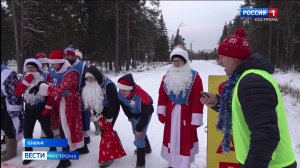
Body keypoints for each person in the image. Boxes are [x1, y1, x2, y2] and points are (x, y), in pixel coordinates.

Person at [200, 28, 297, 168]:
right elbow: (245, 114)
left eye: (222, 57)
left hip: (272, 165)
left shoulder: (252, 81)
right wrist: (217, 102)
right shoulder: (245, 78)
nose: (219, 62)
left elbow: (266, 136)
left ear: (235, 57)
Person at [32, 50, 84, 168]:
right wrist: (40, 85)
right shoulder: (55, 70)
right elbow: (52, 84)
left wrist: (42, 88)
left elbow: (60, 88)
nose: (52, 66)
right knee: (62, 129)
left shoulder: (71, 73)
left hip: (70, 104)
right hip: (59, 102)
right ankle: (68, 153)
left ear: (60, 62)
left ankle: (66, 157)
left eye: (54, 64)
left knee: (66, 129)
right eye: (51, 64)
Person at [157, 46, 204, 168]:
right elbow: (162, 94)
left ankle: (184, 164)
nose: (176, 63)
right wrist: (161, 111)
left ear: (185, 61)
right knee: (171, 138)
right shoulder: (167, 75)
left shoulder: (194, 76)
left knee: (184, 141)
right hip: (171, 114)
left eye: (179, 60)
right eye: (174, 60)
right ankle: (172, 163)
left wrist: (196, 118)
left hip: (186, 115)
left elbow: (197, 99)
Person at [15, 58, 56, 165]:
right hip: (29, 108)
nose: (30, 69)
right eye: (28, 67)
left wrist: (48, 107)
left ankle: (53, 148)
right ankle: (28, 154)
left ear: (38, 68)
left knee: (47, 130)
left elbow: (52, 92)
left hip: (42, 107)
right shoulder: (24, 77)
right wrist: (27, 80)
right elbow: (18, 92)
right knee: (27, 132)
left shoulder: (45, 76)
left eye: (33, 67)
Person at [81, 65, 123, 167]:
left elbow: (114, 103)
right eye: (87, 78)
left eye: (92, 78)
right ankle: (116, 144)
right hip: (99, 109)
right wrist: (97, 113)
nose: (89, 81)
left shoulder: (108, 85)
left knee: (105, 132)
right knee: (106, 131)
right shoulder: (90, 85)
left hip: (111, 110)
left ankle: (108, 156)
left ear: (97, 76)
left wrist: (109, 117)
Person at [117, 74, 153, 168]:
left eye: (125, 90)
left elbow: (145, 115)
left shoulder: (141, 97)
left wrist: (139, 128)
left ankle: (140, 164)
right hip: (134, 113)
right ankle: (147, 149)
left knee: (139, 136)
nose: (122, 92)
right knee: (137, 132)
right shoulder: (120, 94)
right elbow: (124, 105)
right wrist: (129, 115)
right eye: (121, 89)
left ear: (131, 88)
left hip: (145, 114)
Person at [64, 46, 90, 153]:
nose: (67, 57)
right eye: (65, 55)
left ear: (73, 55)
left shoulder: (82, 66)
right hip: (68, 98)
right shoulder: (64, 65)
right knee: (73, 118)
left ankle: (86, 136)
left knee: (84, 115)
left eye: (69, 55)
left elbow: (88, 80)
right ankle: (75, 139)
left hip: (81, 95)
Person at [1, 65, 23, 162]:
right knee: (2, 124)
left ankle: (12, 150)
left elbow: (14, 92)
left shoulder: (8, 73)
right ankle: (8, 147)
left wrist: (14, 107)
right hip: (2, 100)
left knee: (8, 125)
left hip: (10, 102)